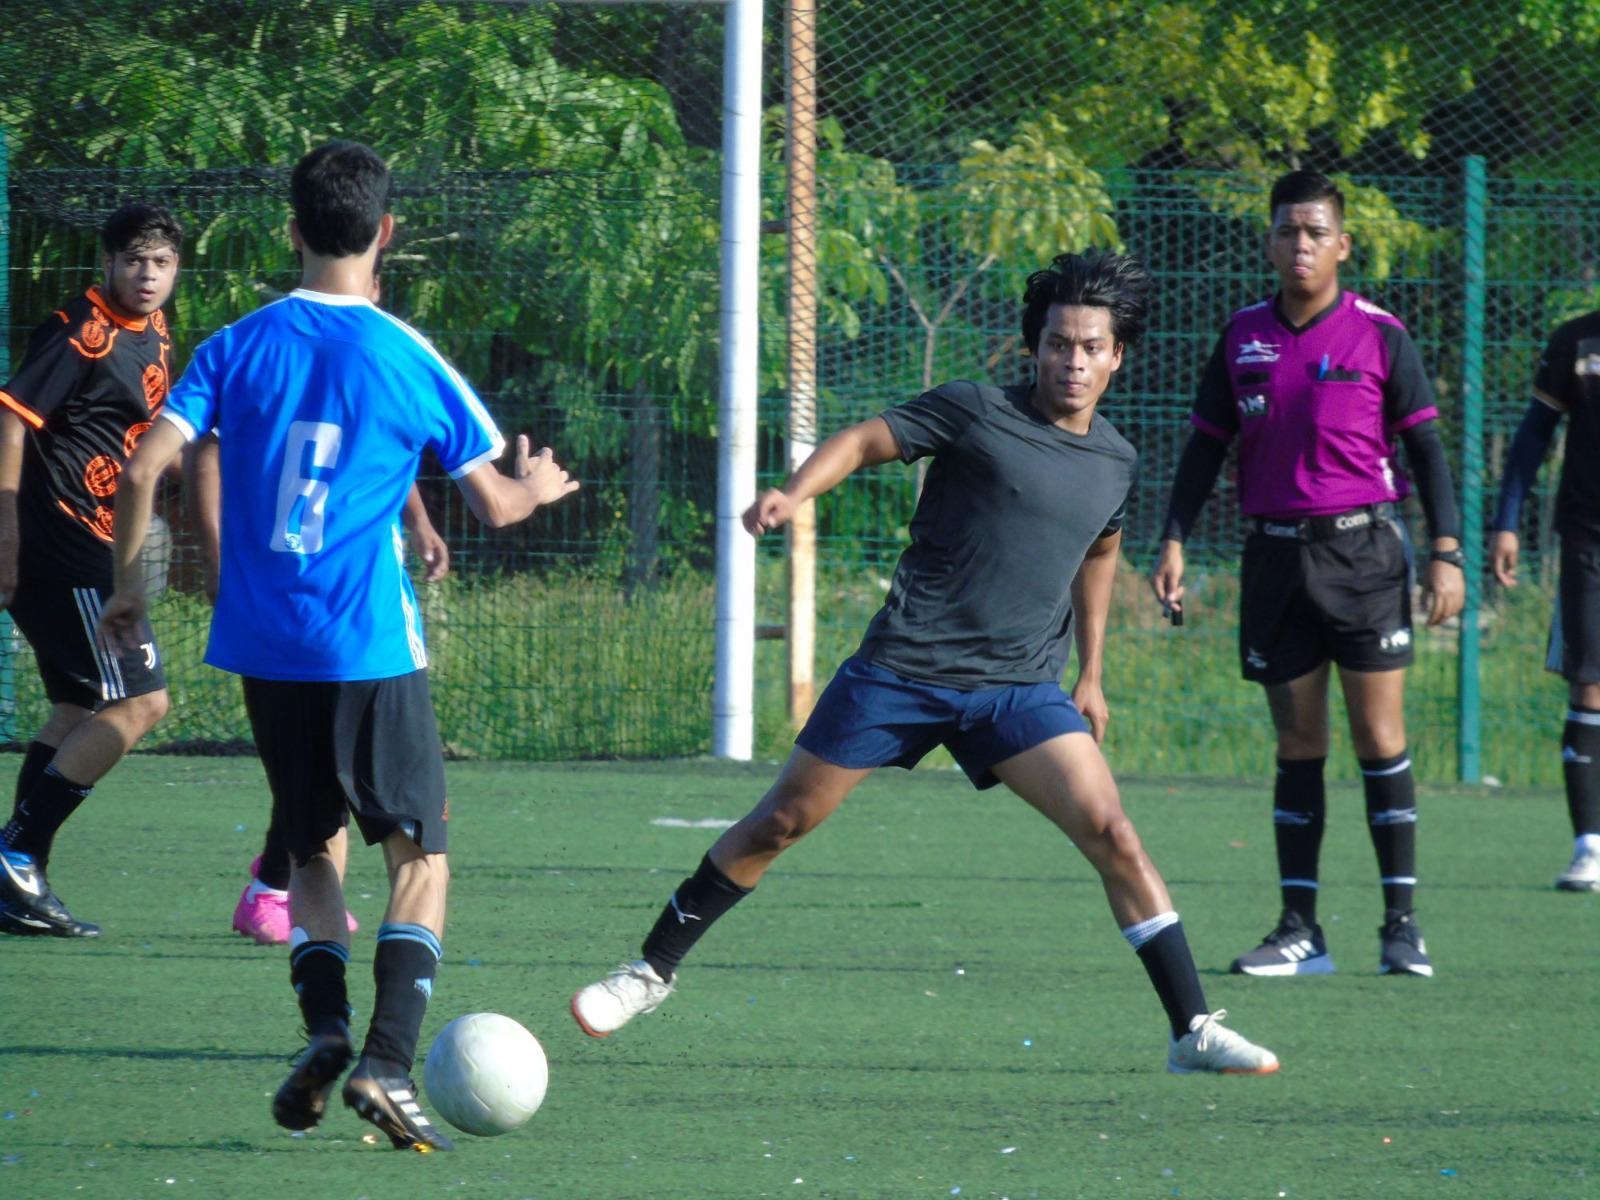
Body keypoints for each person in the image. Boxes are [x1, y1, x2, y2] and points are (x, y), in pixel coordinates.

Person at [572, 249, 1279, 1077]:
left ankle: (1190, 1028)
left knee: (1114, 832)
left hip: (1017, 690)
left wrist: (1091, 673)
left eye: (1091, 346)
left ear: (1117, 355)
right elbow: (867, 439)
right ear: (1035, 347)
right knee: (781, 822)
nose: (1073, 361)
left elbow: (1100, 554)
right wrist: (794, 494)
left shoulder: (1116, 461)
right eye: (1058, 344)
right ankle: (649, 970)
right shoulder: (975, 410)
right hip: (903, 670)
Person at [100, 140, 579, 1151]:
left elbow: (147, 465)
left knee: (311, 847)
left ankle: (324, 1029)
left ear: (292, 229)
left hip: (264, 648)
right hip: (365, 645)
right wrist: (537, 487)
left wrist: (126, 594)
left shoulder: (236, 344)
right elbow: (493, 503)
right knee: (421, 856)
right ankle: (389, 1062)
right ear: (386, 234)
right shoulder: (406, 355)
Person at [1150, 170, 1465, 979]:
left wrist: (1447, 551)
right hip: (1274, 557)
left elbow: (1427, 449)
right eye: (1288, 230)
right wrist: (1174, 538)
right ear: (1269, 240)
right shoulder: (1242, 335)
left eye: (1316, 232)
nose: (1301, 245)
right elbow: (1203, 446)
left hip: (1363, 556)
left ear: (1343, 245)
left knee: (1378, 739)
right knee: (1298, 743)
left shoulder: (1380, 334)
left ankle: (1402, 926)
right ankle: (1301, 930)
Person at [205, 257, 452, 944]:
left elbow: (380, 459)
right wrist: (221, 558)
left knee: (316, 812)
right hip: (346, 622)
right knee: (384, 839)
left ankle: (315, 986)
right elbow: (204, 457)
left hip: (283, 623)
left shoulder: (270, 348)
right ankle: (274, 893)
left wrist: (422, 523)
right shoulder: (322, 354)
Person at [0, 204, 183, 938]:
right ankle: (15, 855)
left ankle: (17, 874)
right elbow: (10, 418)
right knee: (141, 703)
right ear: (106, 263)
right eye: (134, 259)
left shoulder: (158, 332)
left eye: (161, 262)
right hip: (64, 546)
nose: (147, 274)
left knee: (79, 707)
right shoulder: (83, 328)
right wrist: (7, 529)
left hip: (97, 545)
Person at [1489, 315, 1600, 892]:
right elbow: (1536, 430)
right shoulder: (1576, 341)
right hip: (1589, 538)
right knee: (1590, 685)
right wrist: (1507, 521)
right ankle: (1590, 846)